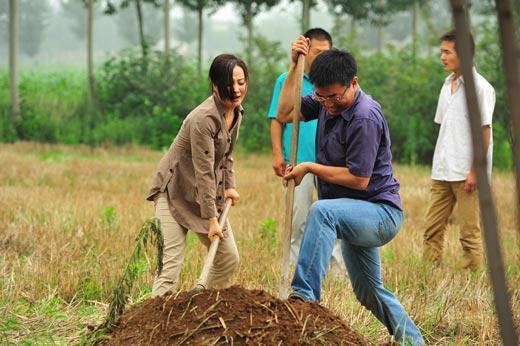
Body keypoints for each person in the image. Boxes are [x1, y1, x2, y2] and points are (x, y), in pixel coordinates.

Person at [276, 37, 424, 345]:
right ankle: (415, 342)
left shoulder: (364, 117)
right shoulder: (323, 100)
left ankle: (303, 299)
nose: (327, 104)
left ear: (353, 83)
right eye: (321, 97)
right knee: (369, 292)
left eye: (333, 97)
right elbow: (285, 112)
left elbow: (360, 179)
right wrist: (293, 66)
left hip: (379, 213)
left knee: (322, 211)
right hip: (352, 213)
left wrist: (310, 167)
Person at [146, 54, 248, 297]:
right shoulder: (203, 118)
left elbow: (226, 156)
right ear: (214, 85)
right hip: (174, 190)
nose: (236, 90)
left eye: (241, 82)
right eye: (229, 84)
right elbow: (204, 172)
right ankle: (157, 324)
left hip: (201, 194)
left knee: (227, 258)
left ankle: (199, 305)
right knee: (170, 267)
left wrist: (230, 186)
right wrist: (212, 219)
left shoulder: (236, 111)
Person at [267, 28, 345, 274]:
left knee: (334, 217)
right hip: (299, 160)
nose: (321, 57)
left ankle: (335, 272)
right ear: (306, 50)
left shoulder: (335, 83)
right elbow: (278, 118)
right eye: (317, 52)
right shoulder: (289, 79)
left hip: (331, 164)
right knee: (297, 218)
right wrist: (279, 155)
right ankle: (292, 268)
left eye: (326, 52)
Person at [423, 29, 495, 271]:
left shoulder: (481, 89)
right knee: (432, 229)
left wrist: (475, 172)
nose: (442, 57)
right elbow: (447, 129)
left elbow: (485, 132)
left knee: (468, 233)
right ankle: (429, 275)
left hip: (467, 174)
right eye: (441, 51)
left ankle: (470, 280)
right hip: (442, 170)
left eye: (447, 52)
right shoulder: (447, 85)